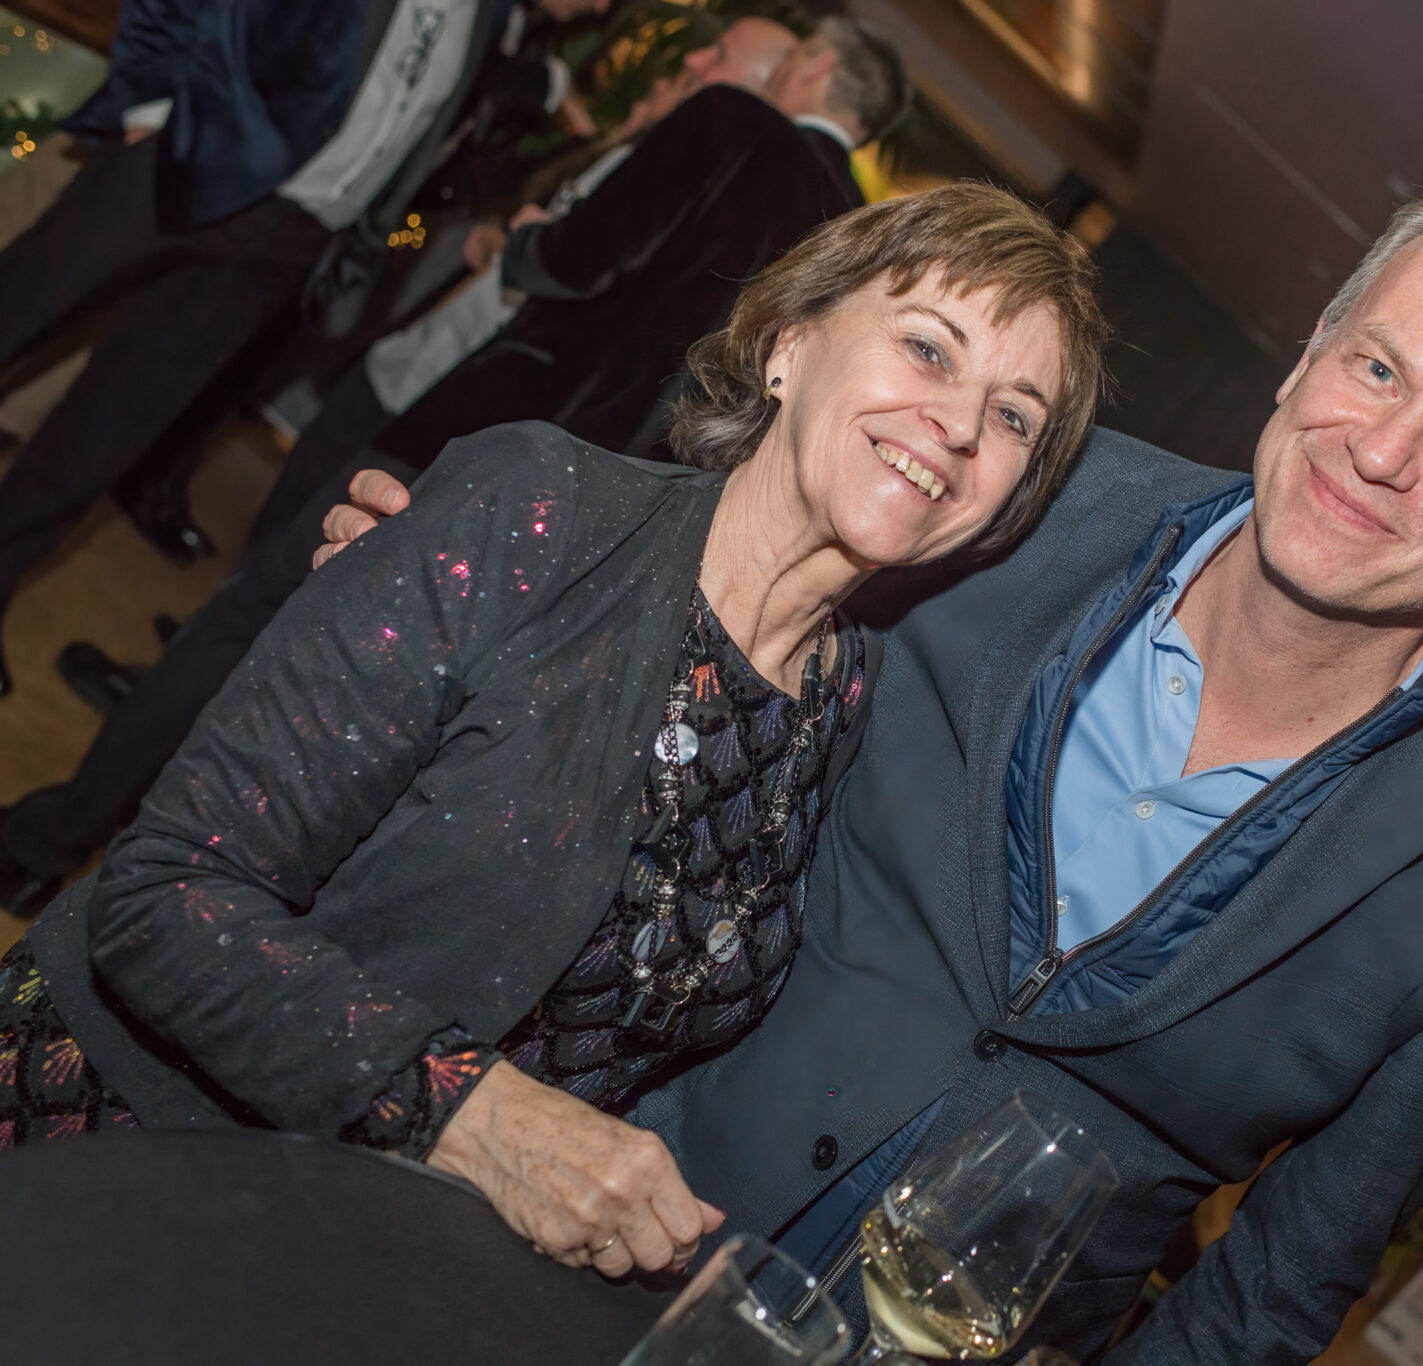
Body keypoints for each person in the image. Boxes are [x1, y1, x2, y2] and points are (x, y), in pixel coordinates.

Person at [321, 182, 1423, 1361]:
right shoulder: (1018, 487)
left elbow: (1278, 1288)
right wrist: (484, 599)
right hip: (568, 1210)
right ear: (1308, 358)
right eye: (1378, 370)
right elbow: (714, 581)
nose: (1380, 454)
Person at [5, 185, 1106, 1285]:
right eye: (927, 348)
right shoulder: (537, 511)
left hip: (357, 1262)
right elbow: (165, 897)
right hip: (126, 1164)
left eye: (1015, 417)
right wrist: (476, 1119)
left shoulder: (847, 706)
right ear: (789, 345)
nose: (960, 425)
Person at [0, 15, 906, 920]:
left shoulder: (733, 124)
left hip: (490, 432)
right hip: (609, 511)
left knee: (255, 619)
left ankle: (50, 842)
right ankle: (192, 899)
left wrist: (530, 241)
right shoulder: (852, 241)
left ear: (816, 67)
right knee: (360, 715)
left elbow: (577, 259)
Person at [0, 0, 610, 697]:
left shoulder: (492, 14)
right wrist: (150, 104)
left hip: (289, 241)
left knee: (106, 429)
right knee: (19, 312)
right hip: (181, 160)